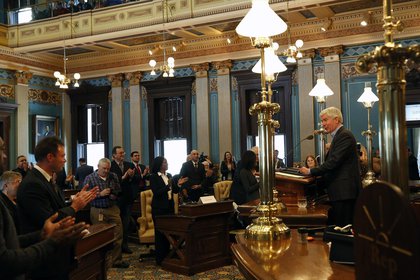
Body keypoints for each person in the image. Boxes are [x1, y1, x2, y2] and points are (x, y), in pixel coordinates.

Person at [16, 136, 98, 279]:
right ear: (50, 157)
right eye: (62, 156)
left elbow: (56, 207)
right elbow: (49, 220)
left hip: (58, 256)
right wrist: (74, 207)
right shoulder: (32, 184)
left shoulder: (47, 180)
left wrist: (75, 200)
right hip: (45, 260)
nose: (65, 160)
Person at [299, 107, 362, 227]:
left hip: (344, 192)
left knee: (344, 228)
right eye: (322, 121)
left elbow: (334, 162)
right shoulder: (339, 135)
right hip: (340, 192)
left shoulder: (345, 135)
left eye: (325, 120)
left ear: (336, 119)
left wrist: (310, 171)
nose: (323, 124)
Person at [84, 158, 129, 268]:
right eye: (104, 168)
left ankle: (116, 260)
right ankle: (100, 262)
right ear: (98, 166)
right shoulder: (89, 178)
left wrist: (115, 195)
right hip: (98, 210)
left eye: (108, 168)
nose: (106, 171)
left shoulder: (113, 176)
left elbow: (119, 190)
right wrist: (100, 194)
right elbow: (85, 196)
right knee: (100, 237)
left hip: (113, 208)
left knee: (118, 234)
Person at [149, 156, 180, 265]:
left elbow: (174, 190)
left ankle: (168, 255)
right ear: (160, 164)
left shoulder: (169, 175)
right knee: (160, 234)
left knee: (168, 233)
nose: (167, 164)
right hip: (159, 209)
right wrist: (168, 187)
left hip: (169, 208)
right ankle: (160, 258)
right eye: (165, 162)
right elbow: (156, 192)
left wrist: (178, 185)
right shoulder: (153, 177)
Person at [110, 146, 135, 254]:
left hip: (127, 198)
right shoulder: (110, 166)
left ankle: (125, 245)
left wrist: (132, 176)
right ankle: (116, 247)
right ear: (114, 155)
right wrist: (124, 177)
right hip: (116, 199)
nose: (123, 155)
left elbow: (136, 179)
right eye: (120, 153)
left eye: (123, 153)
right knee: (117, 224)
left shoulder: (129, 165)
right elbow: (112, 182)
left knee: (126, 223)